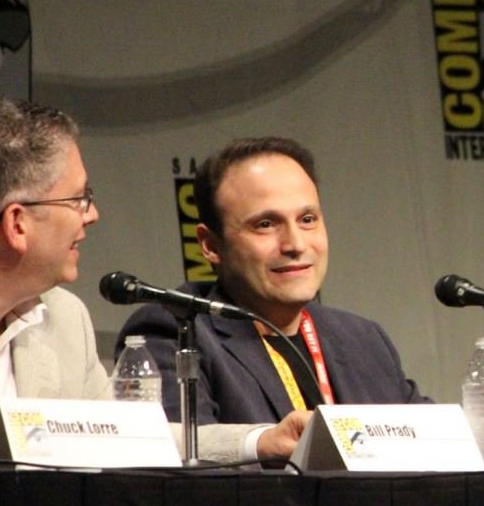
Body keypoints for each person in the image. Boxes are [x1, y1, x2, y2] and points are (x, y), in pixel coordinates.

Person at [117, 137, 428, 463]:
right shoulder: (176, 330)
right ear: (210, 245)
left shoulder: (363, 340)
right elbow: (184, 474)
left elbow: (433, 448)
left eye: (308, 219)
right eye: (265, 224)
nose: (295, 243)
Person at [0, 97, 109, 459]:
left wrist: (259, 441)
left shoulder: (66, 320)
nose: (92, 215)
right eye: (79, 199)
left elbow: (123, 436)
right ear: (17, 224)